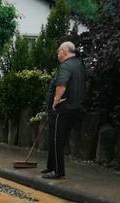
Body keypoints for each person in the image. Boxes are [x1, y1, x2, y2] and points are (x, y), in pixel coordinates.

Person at [42, 41, 86, 179]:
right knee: (54, 137)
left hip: (63, 108)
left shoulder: (66, 66)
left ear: (65, 52)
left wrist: (55, 101)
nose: (57, 54)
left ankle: (57, 171)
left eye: (59, 51)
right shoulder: (78, 64)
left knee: (56, 139)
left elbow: (61, 85)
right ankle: (50, 166)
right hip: (74, 107)